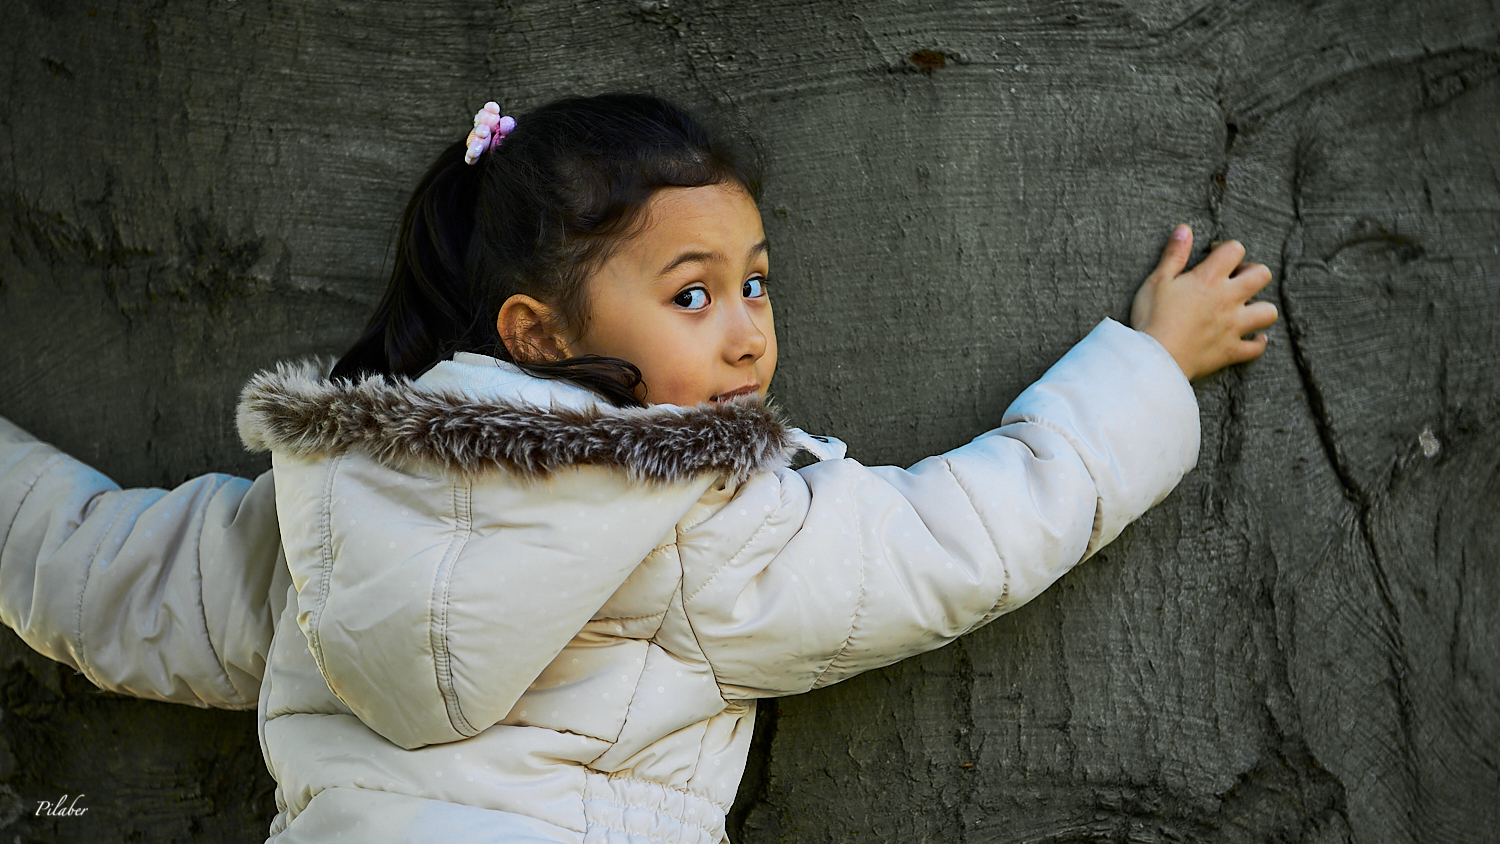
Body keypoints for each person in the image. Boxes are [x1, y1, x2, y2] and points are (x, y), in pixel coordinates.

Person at [0, 93, 1277, 843]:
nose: (748, 328)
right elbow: (967, 536)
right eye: (694, 291)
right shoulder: (712, 514)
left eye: (756, 280)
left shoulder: (331, 493)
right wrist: (1152, 370)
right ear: (538, 335)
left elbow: (97, 573)